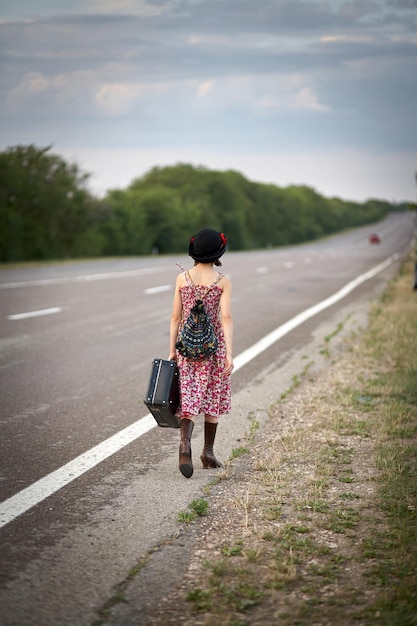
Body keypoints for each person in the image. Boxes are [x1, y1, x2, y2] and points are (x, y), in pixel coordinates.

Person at [168, 228, 234, 478]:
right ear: (218, 252)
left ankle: (185, 444)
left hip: (186, 347)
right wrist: (229, 354)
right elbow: (225, 317)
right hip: (213, 348)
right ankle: (208, 452)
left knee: (189, 396)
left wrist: (172, 351)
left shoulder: (182, 278)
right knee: (213, 397)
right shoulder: (223, 281)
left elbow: (175, 317)